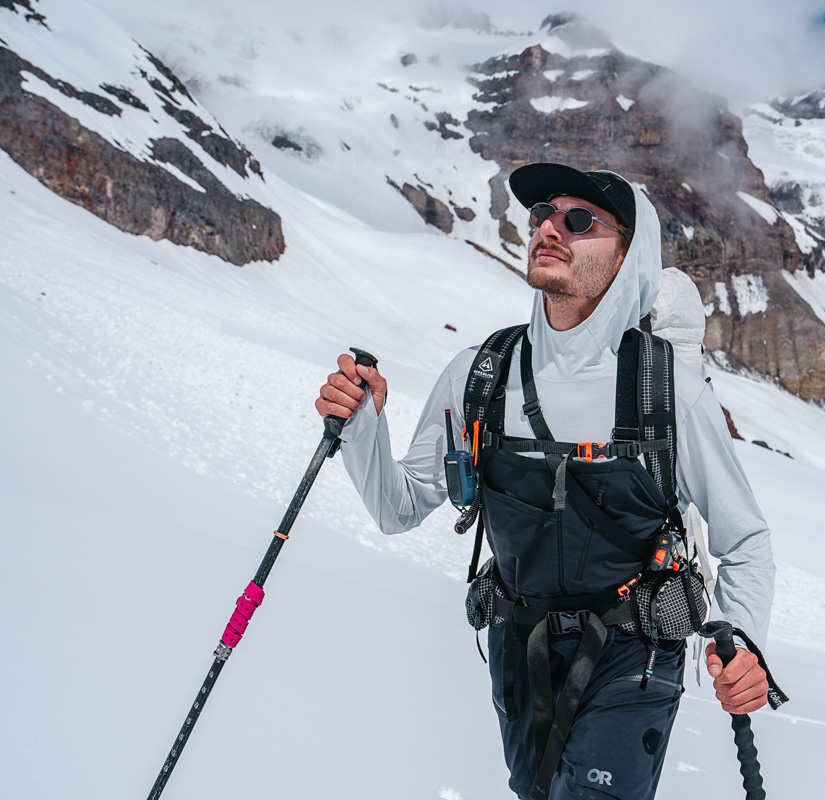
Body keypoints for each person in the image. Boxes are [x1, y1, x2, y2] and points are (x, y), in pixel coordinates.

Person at [315, 163, 777, 799]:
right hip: (517, 651)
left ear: (627, 253)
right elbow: (399, 507)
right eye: (541, 217)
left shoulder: (668, 390)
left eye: (578, 220)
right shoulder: (478, 375)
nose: (549, 229)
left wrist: (742, 639)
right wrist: (363, 425)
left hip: (633, 656)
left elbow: (745, 540)